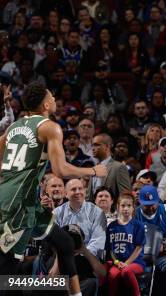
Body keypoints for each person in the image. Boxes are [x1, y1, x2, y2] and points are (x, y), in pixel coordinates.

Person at [0, 81, 107, 296]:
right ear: (45, 105)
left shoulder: (15, 126)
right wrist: (94, 171)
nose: (54, 100)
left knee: (65, 243)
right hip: (17, 205)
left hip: (24, 200)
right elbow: (60, 169)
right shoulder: (50, 127)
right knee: (7, 272)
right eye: (51, 97)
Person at [106, 192, 145, 296]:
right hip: (118, 263)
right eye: (123, 205)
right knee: (112, 275)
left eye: (129, 206)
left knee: (126, 271)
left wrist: (127, 263)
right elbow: (110, 249)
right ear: (118, 207)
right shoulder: (111, 226)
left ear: (133, 208)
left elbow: (138, 248)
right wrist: (117, 262)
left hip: (135, 262)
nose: (126, 208)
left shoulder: (138, 225)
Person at [88, 133, 131, 201]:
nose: (93, 148)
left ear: (107, 147)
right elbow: (89, 198)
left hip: (112, 211)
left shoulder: (119, 167)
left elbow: (126, 196)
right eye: (92, 145)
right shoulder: (93, 169)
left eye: (96, 145)